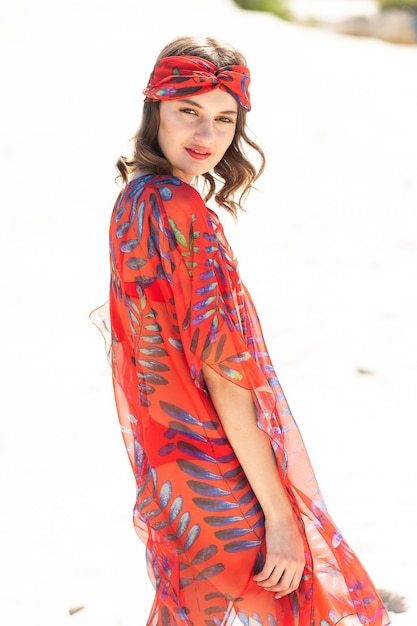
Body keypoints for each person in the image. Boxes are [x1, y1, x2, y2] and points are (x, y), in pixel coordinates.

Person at [90, 36, 390, 626]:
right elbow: (223, 375)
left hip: (168, 464)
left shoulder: (134, 201)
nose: (207, 135)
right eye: (189, 111)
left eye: (225, 119)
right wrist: (279, 515)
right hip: (215, 469)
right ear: (155, 109)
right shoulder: (183, 215)